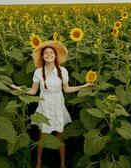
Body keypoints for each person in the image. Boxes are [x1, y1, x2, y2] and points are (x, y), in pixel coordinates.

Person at [11, 40, 93, 168]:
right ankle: (38, 163)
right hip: (45, 106)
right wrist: (17, 88)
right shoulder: (38, 72)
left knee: (59, 136)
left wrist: (85, 85)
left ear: (55, 56)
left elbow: (67, 89)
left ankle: (62, 164)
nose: (48, 54)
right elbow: (33, 91)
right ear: (43, 57)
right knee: (42, 137)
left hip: (58, 106)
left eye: (51, 53)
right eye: (46, 53)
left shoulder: (63, 71)